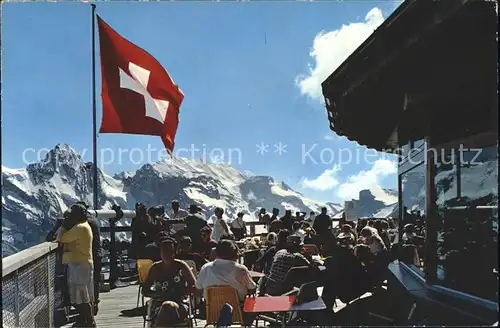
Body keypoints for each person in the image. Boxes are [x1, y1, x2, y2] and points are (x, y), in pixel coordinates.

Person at [195, 240, 257, 326]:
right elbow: (252, 288)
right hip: (237, 311)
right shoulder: (241, 269)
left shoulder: (205, 268)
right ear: (235, 253)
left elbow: (198, 289)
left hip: (211, 311)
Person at [142, 238, 197, 327]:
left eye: (169, 251)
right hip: (159, 304)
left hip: (180, 303)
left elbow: (195, 286)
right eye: (164, 251)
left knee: (168, 307)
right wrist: (159, 294)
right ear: (160, 253)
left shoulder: (181, 266)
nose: (167, 254)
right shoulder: (155, 268)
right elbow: (145, 291)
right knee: (166, 307)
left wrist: (180, 292)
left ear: (174, 253)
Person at [56, 203, 95, 327]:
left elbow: (62, 238)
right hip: (82, 264)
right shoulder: (84, 226)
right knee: (83, 296)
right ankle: (85, 320)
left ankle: (89, 322)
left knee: (82, 297)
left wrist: (63, 226)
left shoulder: (79, 228)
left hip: (80, 265)